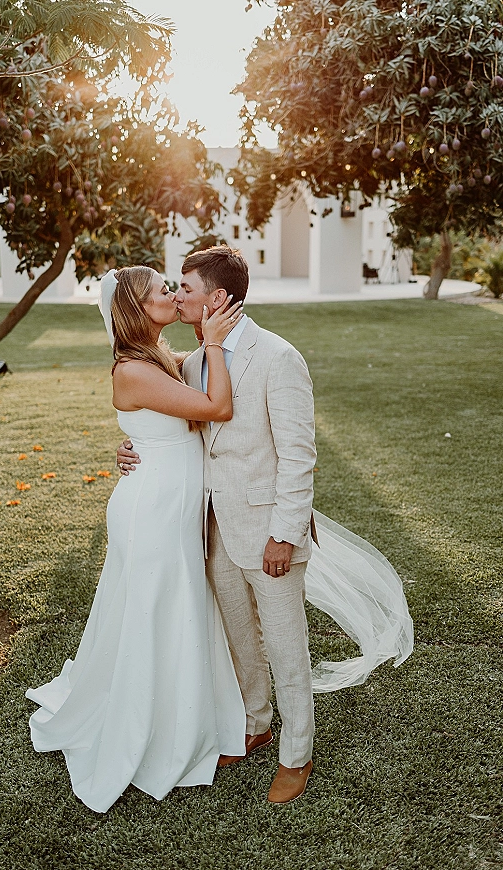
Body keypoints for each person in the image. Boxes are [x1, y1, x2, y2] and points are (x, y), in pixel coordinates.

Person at [117, 246, 414, 804]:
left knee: (284, 644)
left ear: (218, 297)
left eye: (185, 288)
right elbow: (177, 427)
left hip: (268, 530)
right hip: (213, 530)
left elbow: (299, 455)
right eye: (175, 289)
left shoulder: (277, 357)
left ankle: (296, 753)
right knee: (239, 638)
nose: (178, 297)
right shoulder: (192, 361)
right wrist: (131, 449)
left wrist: (287, 532)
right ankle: (256, 724)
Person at [26, 265, 247, 813]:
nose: (172, 295)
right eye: (161, 292)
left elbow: (165, 426)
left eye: (171, 287)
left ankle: (186, 709)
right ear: (136, 308)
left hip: (170, 499)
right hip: (153, 509)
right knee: (154, 611)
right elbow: (216, 408)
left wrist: (131, 443)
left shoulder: (156, 359)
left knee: (173, 607)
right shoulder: (132, 369)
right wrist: (215, 345)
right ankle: (153, 728)